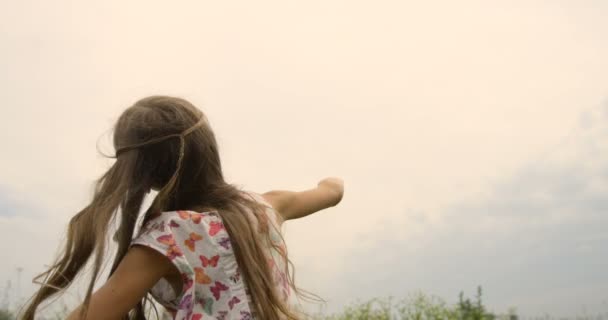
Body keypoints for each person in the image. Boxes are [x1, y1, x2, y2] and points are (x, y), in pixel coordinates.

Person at [21, 96, 344, 320]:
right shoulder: (268, 206)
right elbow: (331, 191)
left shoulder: (170, 236)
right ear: (208, 148)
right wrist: (332, 180)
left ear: (140, 172)